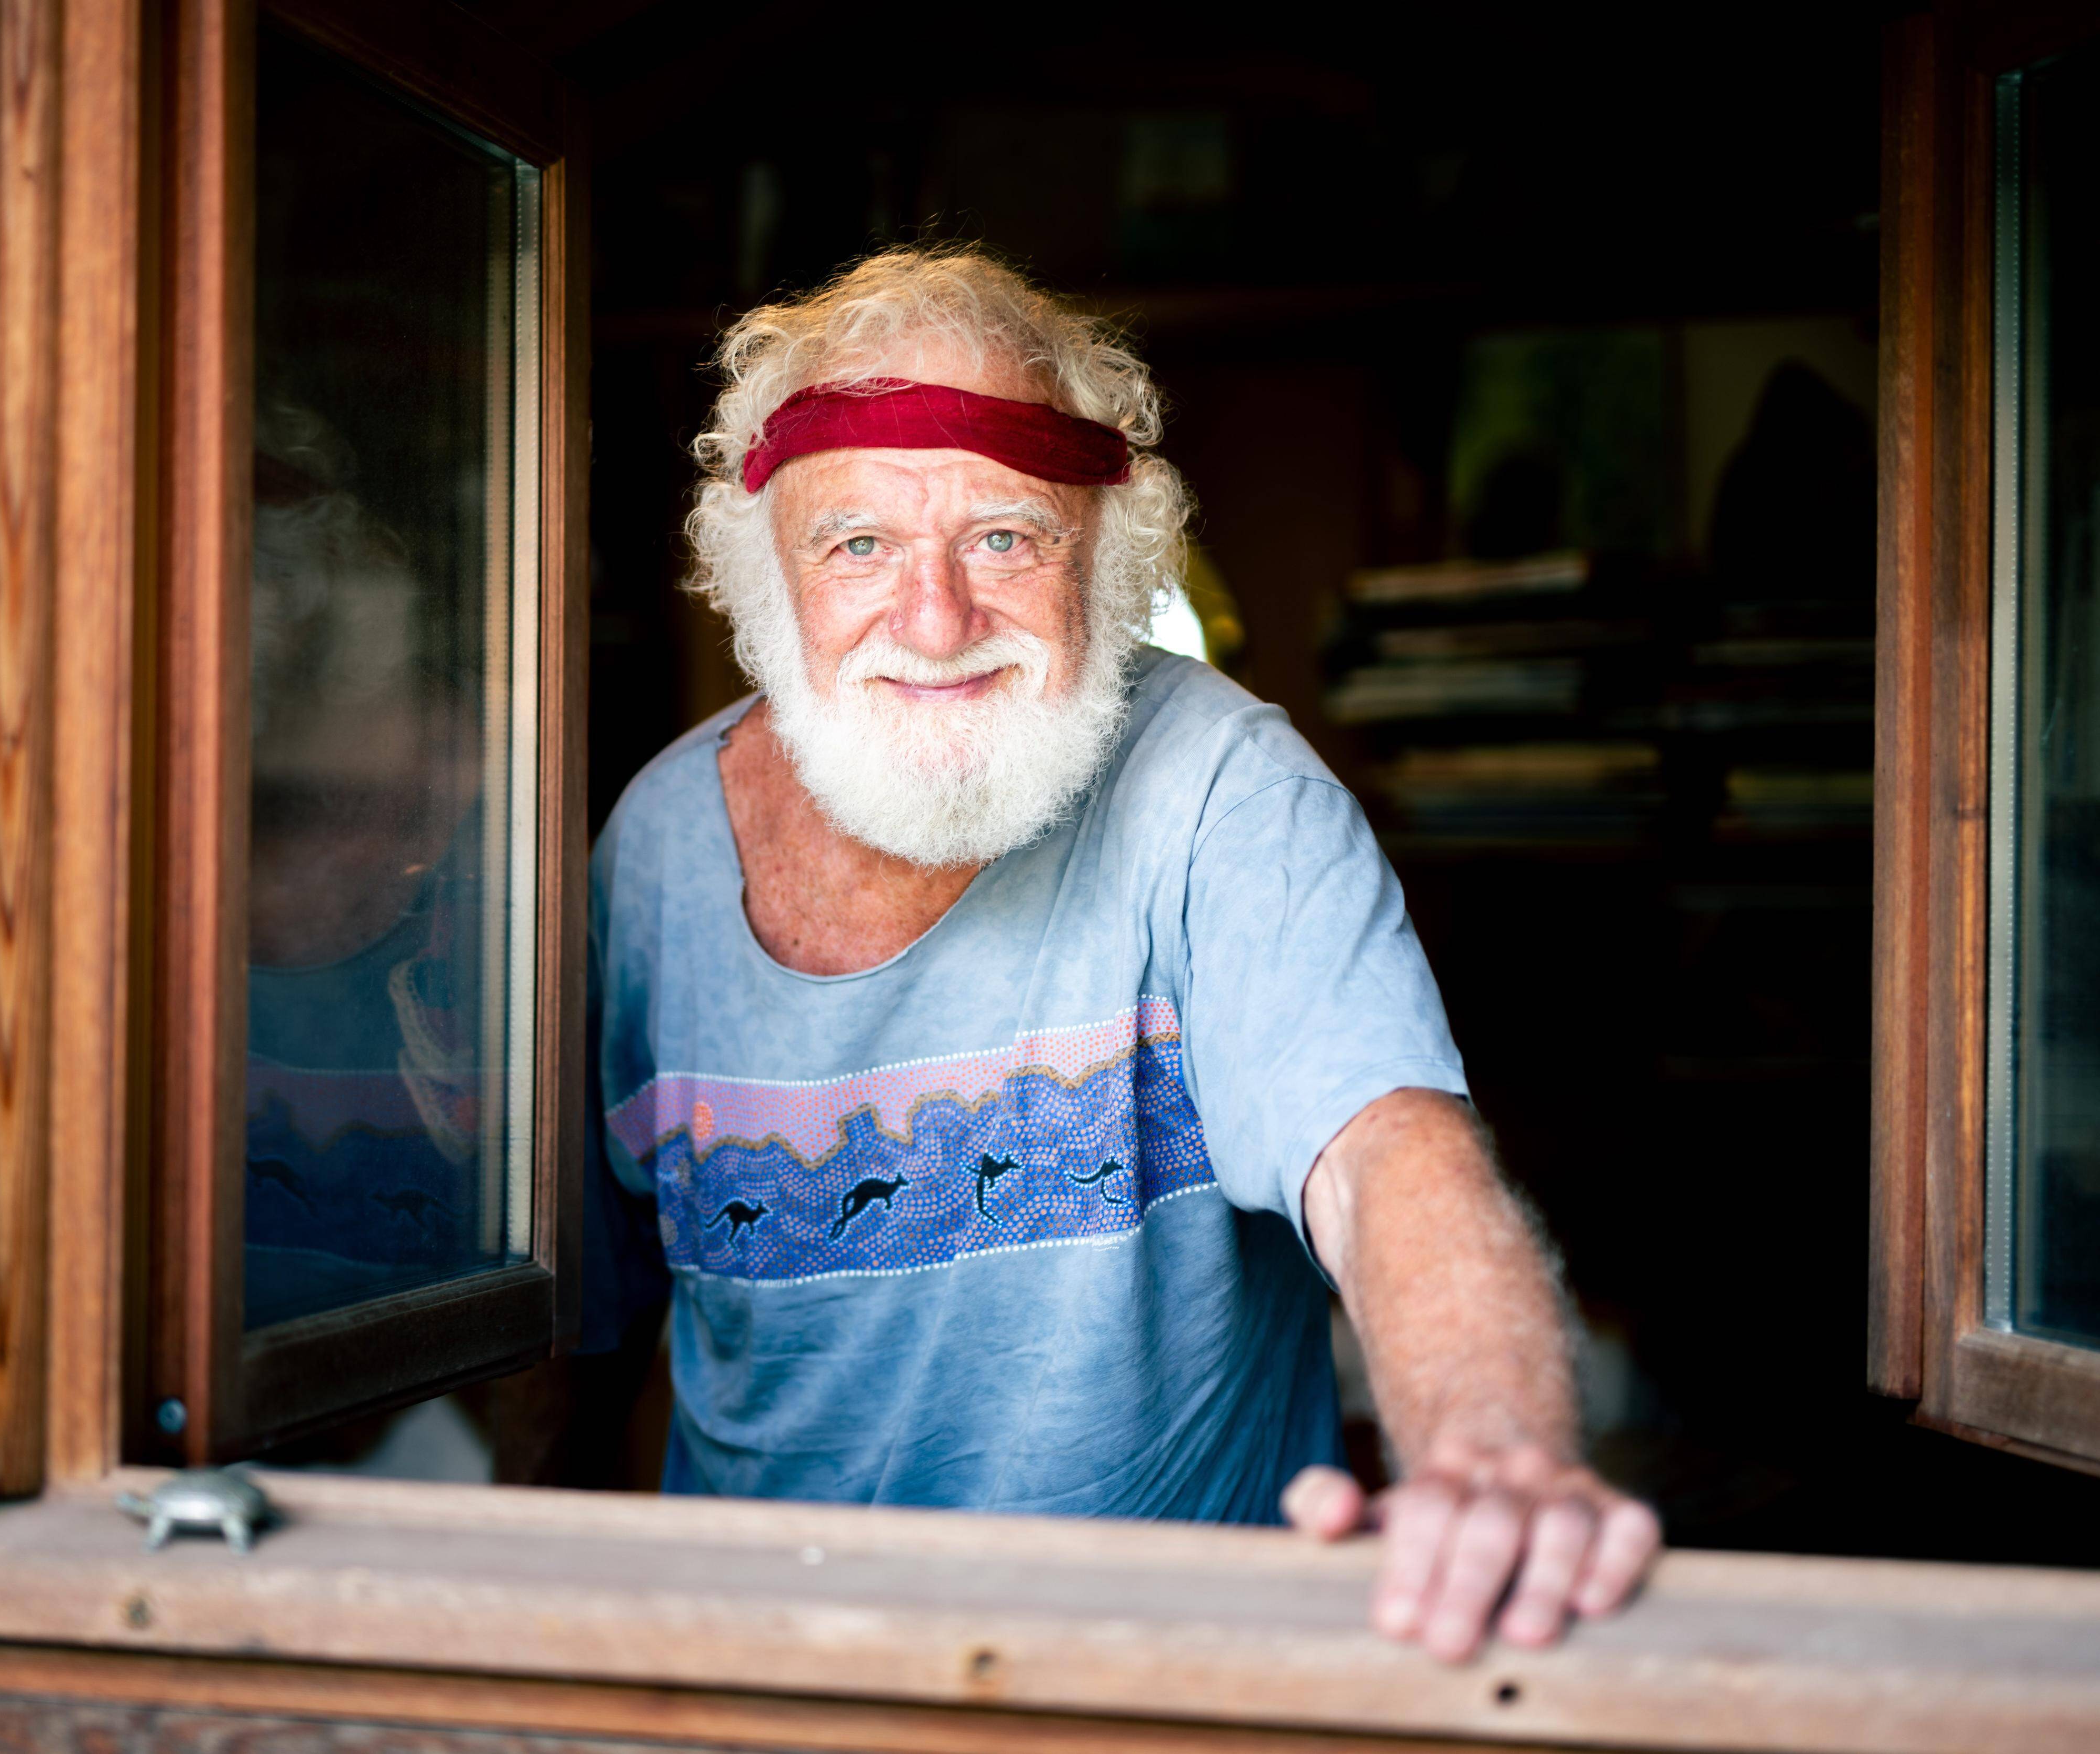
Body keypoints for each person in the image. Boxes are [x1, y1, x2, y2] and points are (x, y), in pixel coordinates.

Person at [582, 247, 1661, 1662]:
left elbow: (1385, 1155)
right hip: (760, 1681)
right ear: (765, 579)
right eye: (859, 545)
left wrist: (1494, 1454)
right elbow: (579, 1322)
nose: (936, 620)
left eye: (1004, 538)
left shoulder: (1230, 792)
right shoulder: (656, 849)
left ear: (1110, 553)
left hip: (1159, 1688)